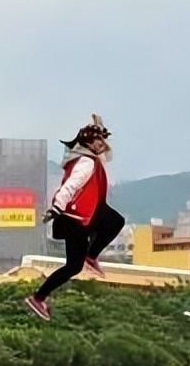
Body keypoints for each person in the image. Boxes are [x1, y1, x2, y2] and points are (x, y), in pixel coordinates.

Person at [25, 115, 125, 321]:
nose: (102, 145)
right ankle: (39, 297)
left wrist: (99, 127)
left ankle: (91, 255)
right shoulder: (86, 162)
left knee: (114, 220)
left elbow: (106, 156)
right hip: (75, 217)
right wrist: (56, 208)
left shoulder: (92, 158)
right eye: (98, 141)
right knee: (73, 266)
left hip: (88, 212)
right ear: (88, 143)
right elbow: (71, 186)